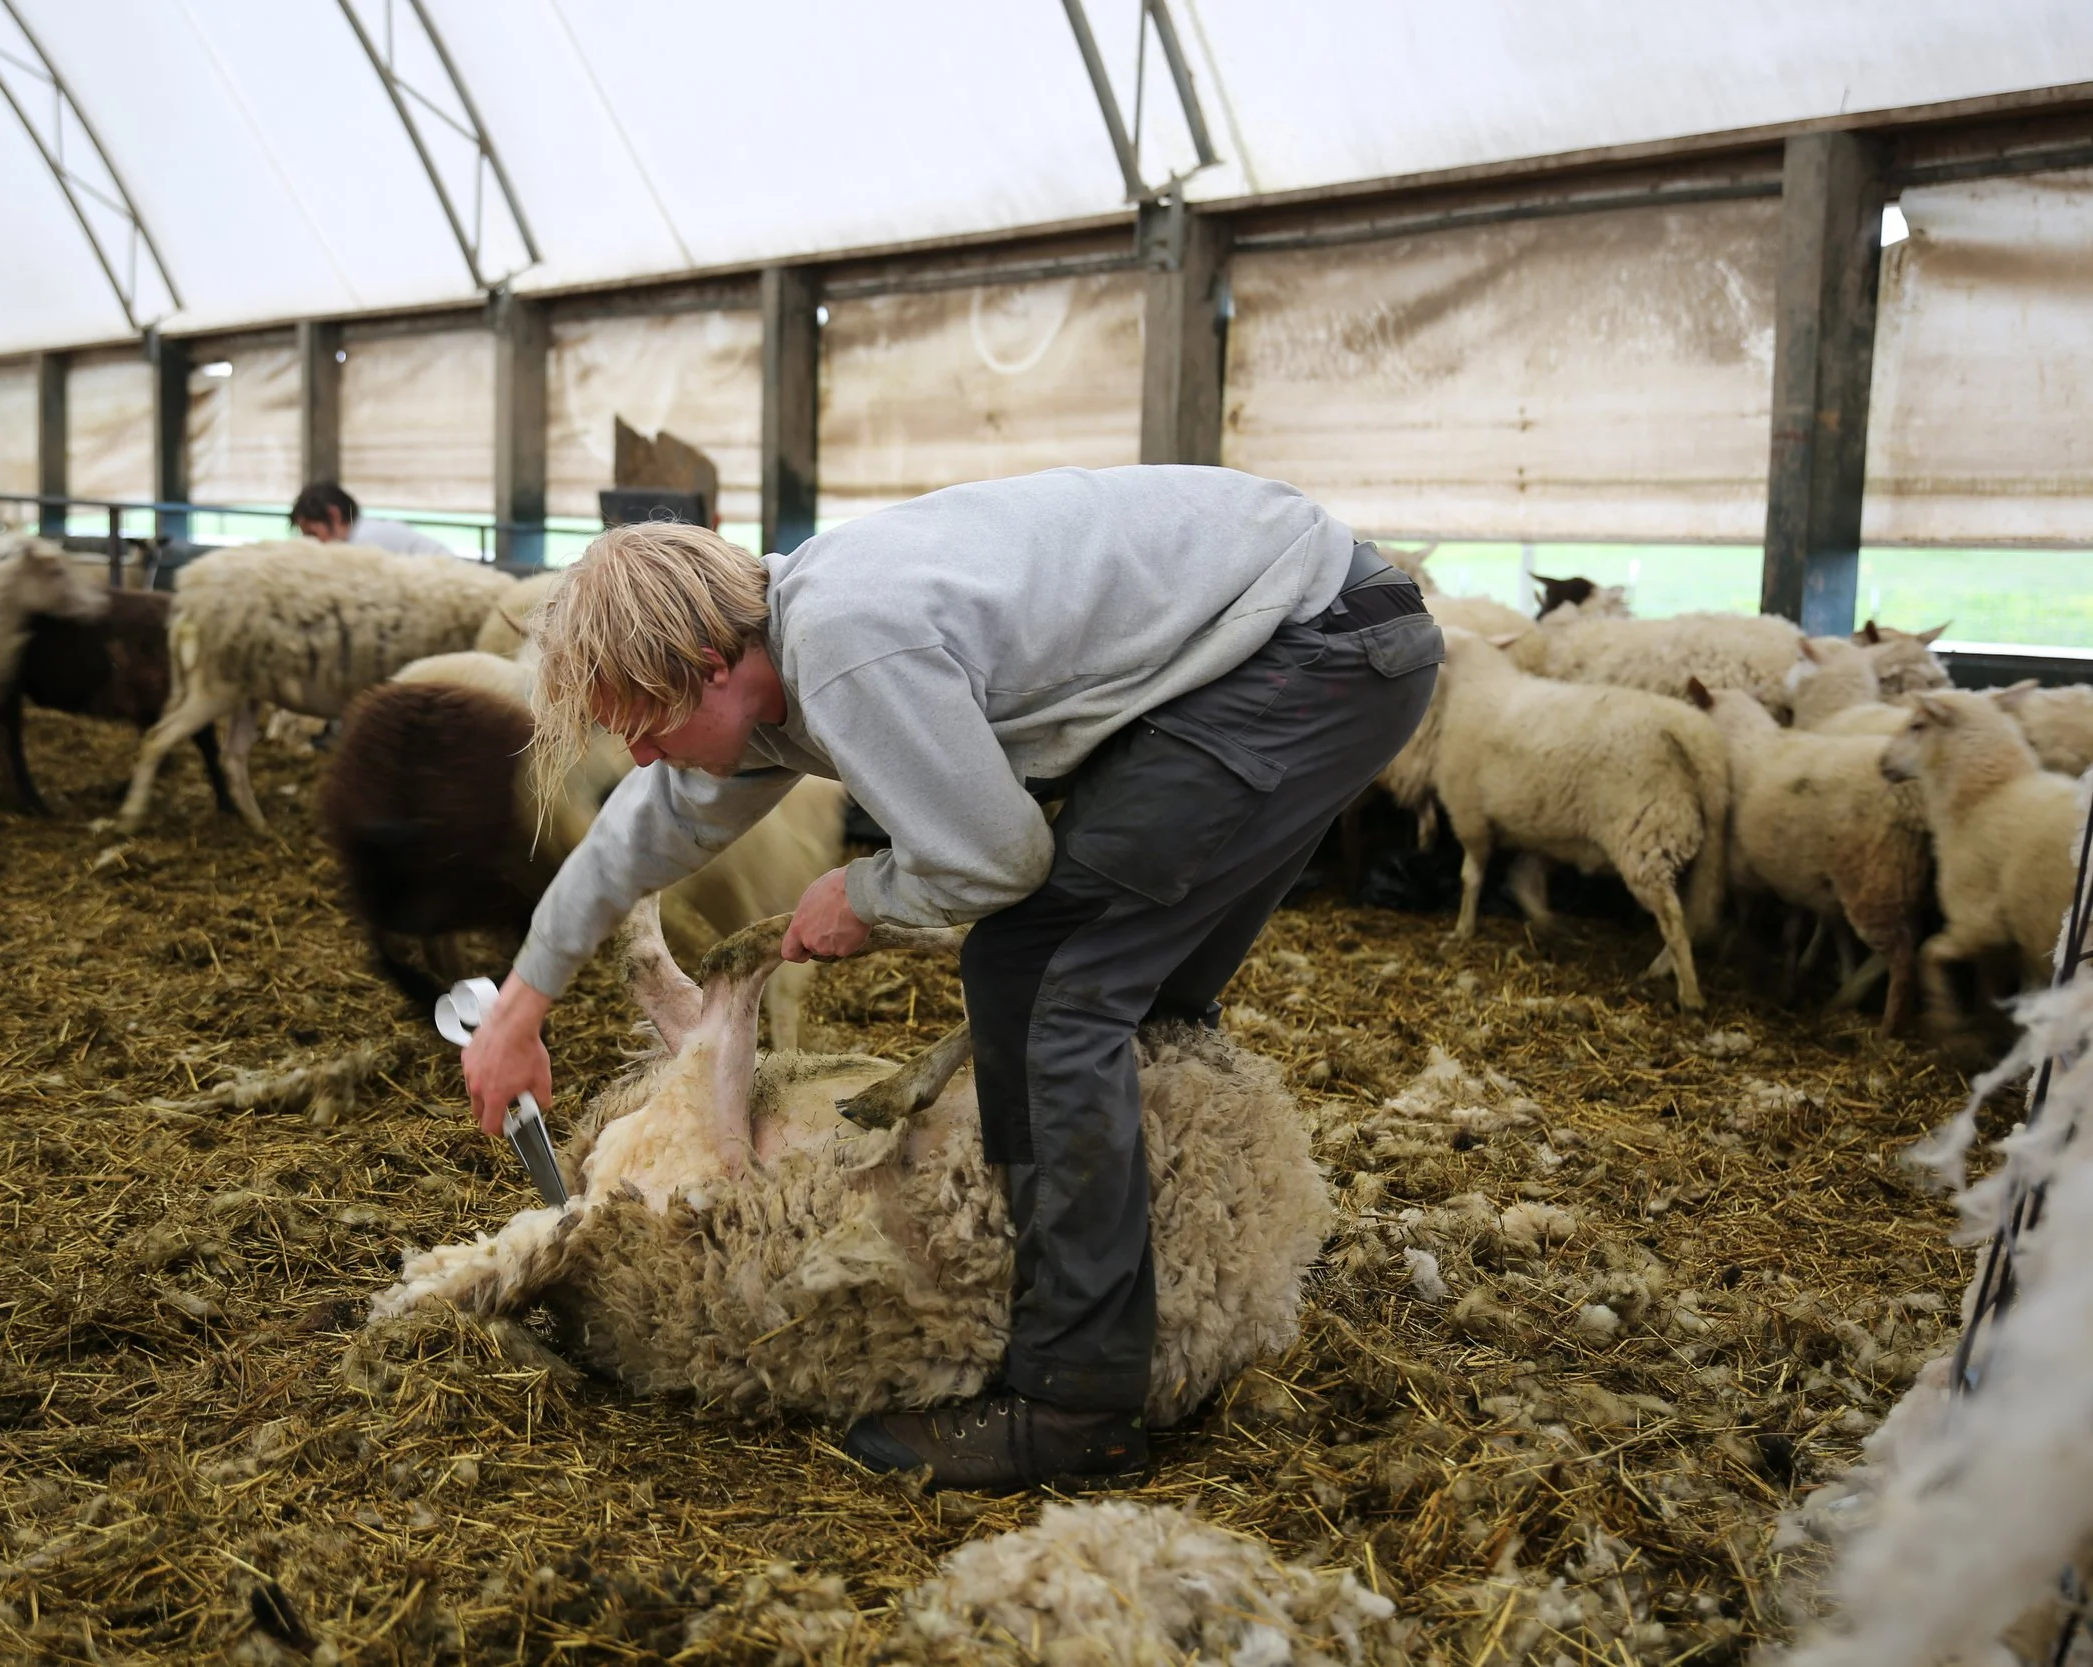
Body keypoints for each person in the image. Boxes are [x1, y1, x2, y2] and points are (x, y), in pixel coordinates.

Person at [458, 464, 1442, 1490]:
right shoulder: (766, 679)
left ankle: (1078, 1398)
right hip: (1320, 637)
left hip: (1308, 649)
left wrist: (865, 894)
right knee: (1125, 978)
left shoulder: (843, 645)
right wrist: (520, 1008)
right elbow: (636, 837)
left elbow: (996, 859)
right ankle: (1176, 1262)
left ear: (708, 662)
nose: (638, 749)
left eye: (640, 718)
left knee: (1045, 976)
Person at [289, 481, 464, 562]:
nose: (311, 544)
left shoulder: (364, 544)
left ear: (334, 516)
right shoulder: (359, 536)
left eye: (313, 534)